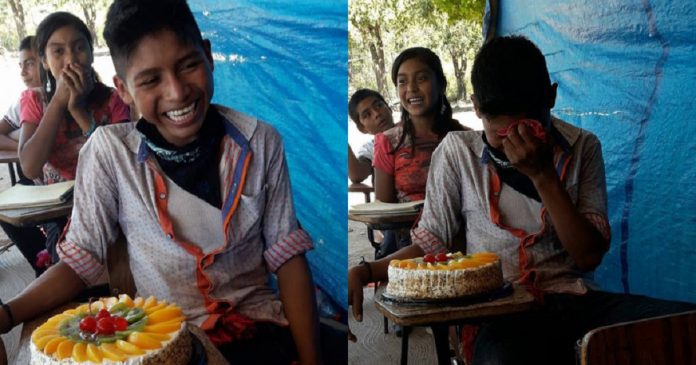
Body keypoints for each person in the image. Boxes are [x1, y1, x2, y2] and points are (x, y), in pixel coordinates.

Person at [0, 1, 330, 364]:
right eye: (151, 80)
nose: (177, 92)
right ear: (123, 89)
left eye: (188, 65)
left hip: (257, 329)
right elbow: (82, 260)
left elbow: (288, 257)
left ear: (208, 56)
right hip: (165, 342)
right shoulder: (111, 153)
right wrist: (8, 314)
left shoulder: (261, 142)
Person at [348, 36, 695, 364]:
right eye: (502, 134)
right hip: (497, 310)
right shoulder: (458, 152)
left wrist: (543, 176)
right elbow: (431, 243)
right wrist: (367, 271)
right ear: (479, 109)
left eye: (530, 127)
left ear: (551, 98)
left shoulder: (582, 147)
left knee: (681, 328)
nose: (518, 143)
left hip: (572, 299)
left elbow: (587, 256)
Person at [372, 47, 468, 258]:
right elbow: (384, 211)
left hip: (465, 244)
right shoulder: (388, 142)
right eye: (402, 82)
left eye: (421, 79)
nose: (411, 89)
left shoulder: (464, 138)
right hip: (409, 248)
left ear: (441, 84)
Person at [0, 36, 41, 152]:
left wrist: (16, 136)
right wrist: (23, 149)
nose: (23, 72)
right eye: (21, 65)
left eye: (30, 64)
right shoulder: (24, 102)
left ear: (46, 62)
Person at [347, 89, 394, 184]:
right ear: (362, 128)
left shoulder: (413, 130)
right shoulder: (370, 148)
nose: (377, 114)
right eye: (367, 115)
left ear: (389, 108)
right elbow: (357, 174)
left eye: (379, 106)